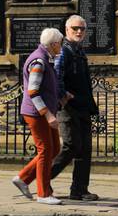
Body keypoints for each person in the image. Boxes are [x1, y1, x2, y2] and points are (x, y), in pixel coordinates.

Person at [50, 15, 99, 201]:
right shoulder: (64, 51)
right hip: (69, 107)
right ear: (66, 29)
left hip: (83, 106)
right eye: (75, 28)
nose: (79, 31)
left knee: (85, 149)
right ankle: (43, 178)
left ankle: (79, 190)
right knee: (71, 145)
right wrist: (64, 95)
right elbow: (56, 75)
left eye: (82, 29)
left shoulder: (79, 51)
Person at [12, 28, 63, 205]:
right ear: (54, 44)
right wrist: (48, 115)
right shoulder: (39, 62)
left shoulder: (45, 59)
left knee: (54, 148)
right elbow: (33, 91)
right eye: (60, 44)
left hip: (42, 112)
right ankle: (43, 193)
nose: (61, 47)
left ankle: (23, 178)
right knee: (45, 151)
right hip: (36, 113)